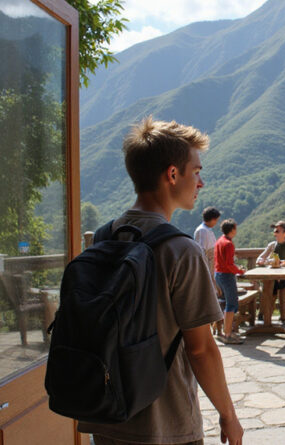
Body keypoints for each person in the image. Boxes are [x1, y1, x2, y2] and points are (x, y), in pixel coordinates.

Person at [78, 117, 243, 445]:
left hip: (107, 414)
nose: (201, 182)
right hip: (165, 425)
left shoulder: (102, 237)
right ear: (172, 174)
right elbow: (201, 350)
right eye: (195, 172)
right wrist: (229, 415)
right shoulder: (181, 250)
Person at [214, 218, 246, 344]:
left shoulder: (219, 241)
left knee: (225, 302)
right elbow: (229, 264)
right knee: (231, 304)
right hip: (226, 276)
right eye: (235, 228)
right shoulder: (228, 244)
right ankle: (228, 334)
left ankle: (224, 332)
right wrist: (240, 271)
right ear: (232, 230)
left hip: (218, 274)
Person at [194, 206, 220, 271]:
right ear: (212, 219)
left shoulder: (207, 229)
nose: (216, 222)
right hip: (207, 266)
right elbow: (202, 251)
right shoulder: (202, 230)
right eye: (216, 220)